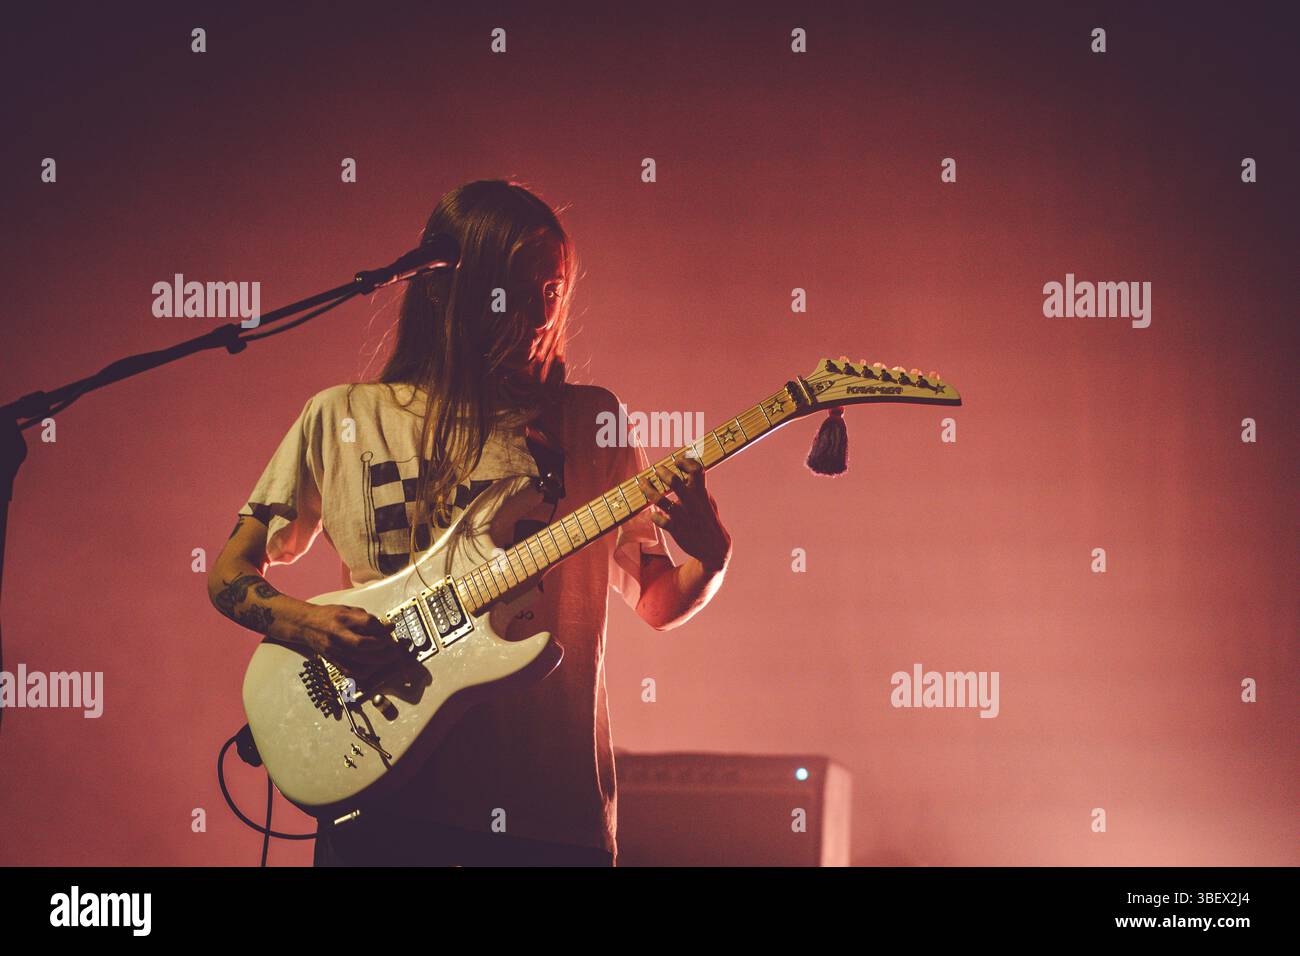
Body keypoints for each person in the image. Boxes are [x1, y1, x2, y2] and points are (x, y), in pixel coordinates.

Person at [208, 180, 733, 866]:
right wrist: (306, 624)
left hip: (546, 817)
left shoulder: (590, 423)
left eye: (553, 289)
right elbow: (227, 575)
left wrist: (712, 556)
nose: (541, 314)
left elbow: (658, 600)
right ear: (444, 289)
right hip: (380, 797)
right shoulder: (342, 419)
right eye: (515, 290)